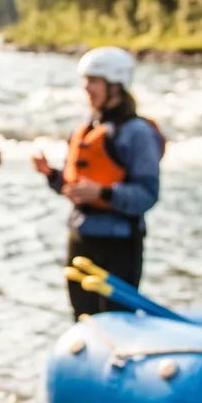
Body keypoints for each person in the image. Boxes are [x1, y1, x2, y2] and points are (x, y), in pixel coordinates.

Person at [33, 46, 165, 316]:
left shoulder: (137, 133)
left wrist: (104, 194)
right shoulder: (86, 129)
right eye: (85, 81)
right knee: (82, 319)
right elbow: (76, 188)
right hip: (81, 238)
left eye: (94, 81)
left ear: (116, 86)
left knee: (118, 321)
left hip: (119, 245)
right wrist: (52, 176)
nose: (86, 89)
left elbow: (147, 194)